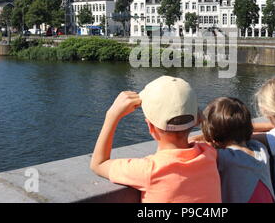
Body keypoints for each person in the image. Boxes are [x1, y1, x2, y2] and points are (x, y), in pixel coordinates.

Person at [90, 75, 221, 203]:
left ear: (150, 127)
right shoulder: (209, 154)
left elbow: (98, 164)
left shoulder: (148, 170)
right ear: (197, 119)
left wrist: (112, 115)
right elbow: (197, 141)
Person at [193, 97, 275, 203]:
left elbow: (190, 143)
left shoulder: (222, 157)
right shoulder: (260, 149)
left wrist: (204, 136)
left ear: (214, 137)